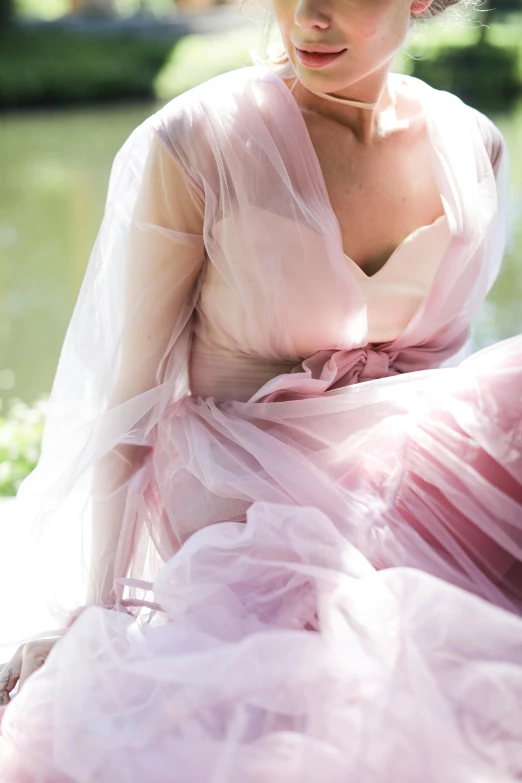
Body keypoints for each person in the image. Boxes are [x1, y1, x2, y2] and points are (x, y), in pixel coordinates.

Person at [1, 0, 521, 774]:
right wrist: (95, 610)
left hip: (404, 483)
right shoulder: (200, 142)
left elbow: (437, 391)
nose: (307, 15)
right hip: (247, 498)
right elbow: (129, 404)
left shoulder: (471, 144)